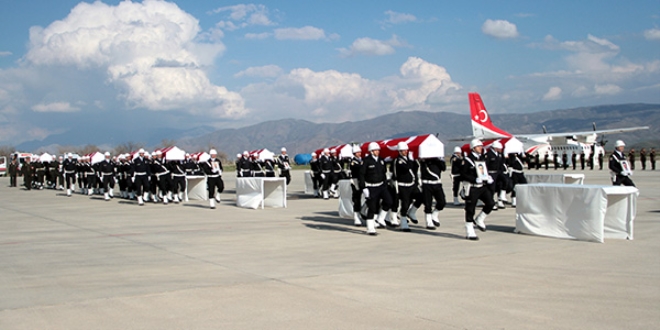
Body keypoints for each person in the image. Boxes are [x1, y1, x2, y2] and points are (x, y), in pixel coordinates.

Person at [460, 139, 495, 240]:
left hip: (482, 187)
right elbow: (463, 174)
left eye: (481, 146)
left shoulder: (481, 159)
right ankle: (469, 230)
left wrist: (487, 177)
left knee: (491, 203)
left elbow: (483, 170)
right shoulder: (467, 160)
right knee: (470, 209)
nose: (481, 148)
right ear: (473, 148)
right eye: (479, 146)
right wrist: (474, 179)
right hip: (472, 188)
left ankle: (480, 219)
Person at [359, 142, 393, 235]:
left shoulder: (381, 160)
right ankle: (370, 227)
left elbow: (384, 173)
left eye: (378, 150)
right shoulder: (366, 161)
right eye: (375, 150)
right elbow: (361, 175)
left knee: (389, 201)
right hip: (371, 187)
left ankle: (380, 218)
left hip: (381, 186)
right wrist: (364, 188)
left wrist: (385, 184)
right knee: (372, 207)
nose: (377, 152)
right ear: (371, 151)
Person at [419, 148, 446, 230]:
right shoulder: (424, 160)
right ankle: (428, 221)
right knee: (428, 203)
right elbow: (423, 168)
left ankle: (435, 214)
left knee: (442, 202)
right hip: (427, 184)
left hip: (437, 183)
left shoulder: (438, 160)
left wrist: (439, 159)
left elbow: (443, 168)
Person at [348, 145, 364, 226]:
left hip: (363, 181)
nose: (359, 153)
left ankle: (363, 211)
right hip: (355, 181)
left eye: (360, 152)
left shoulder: (362, 160)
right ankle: (356, 216)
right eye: (357, 152)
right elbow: (359, 168)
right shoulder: (353, 162)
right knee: (357, 199)